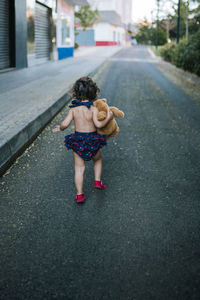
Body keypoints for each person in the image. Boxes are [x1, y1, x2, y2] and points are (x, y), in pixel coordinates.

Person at [52, 77, 113, 203]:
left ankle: (79, 194)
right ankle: (97, 181)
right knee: (98, 160)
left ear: (76, 93)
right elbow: (99, 125)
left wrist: (61, 128)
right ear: (93, 93)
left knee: (79, 168)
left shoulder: (73, 109)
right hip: (93, 140)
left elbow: (65, 124)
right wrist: (108, 117)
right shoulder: (93, 108)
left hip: (78, 141)